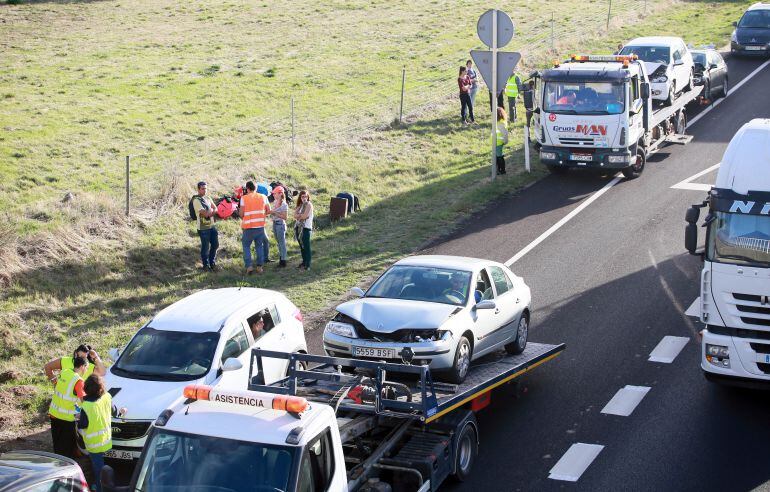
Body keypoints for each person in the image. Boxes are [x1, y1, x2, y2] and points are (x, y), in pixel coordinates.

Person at [47, 356, 88, 460]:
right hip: (66, 419)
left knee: (57, 444)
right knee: (67, 449)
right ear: (83, 366)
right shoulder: (78, 381)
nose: (86, 370)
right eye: (86, 367)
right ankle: (65, 469)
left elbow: (64, 392)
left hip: (54, 414)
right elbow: (84, 401)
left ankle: (57, 464)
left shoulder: (64, 372)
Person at [78, 375, 112, 492]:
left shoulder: (86, 406)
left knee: (98, 469)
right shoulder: (107, 397)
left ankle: (99, 488)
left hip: (94, 444)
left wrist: (78, 417)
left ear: (86, 388)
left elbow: (83, 425)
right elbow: (112, 410)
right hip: (105, 439)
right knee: (102, 467)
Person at [239, 181, 271, 275]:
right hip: (260, 227)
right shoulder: (263, 197)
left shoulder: (244, 198)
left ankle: (249, 266)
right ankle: (259, 267)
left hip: (248, 227)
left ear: (247, 189)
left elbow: (241, 214)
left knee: (246, 246)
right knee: (259, 247)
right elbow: (268, 210)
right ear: (256, 188)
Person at [192, 181, 219, 271]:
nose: (205, 190)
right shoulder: (196, 200)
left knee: (215, 245)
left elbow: (216, 209)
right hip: (203, 229)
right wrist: (211, 211)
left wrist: (210, 211)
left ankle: (212, 263)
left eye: (206, 188)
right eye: (203, 189)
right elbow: (204, 214)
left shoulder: (208, 198)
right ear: (198, 189)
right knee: (205, 247)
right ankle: (206, 265)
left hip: (211, 226)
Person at [293, 190, 314, 270]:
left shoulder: (309, 205)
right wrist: (300, 215)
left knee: (306, 247)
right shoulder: (300, 205)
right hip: (298, 228)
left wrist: (299, 215)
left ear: (308, 197)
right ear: (300, 197)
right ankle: (304, 262)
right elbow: (294, 215)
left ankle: (308, 265)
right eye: (302, 196)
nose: (304, 198)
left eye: (306, 196)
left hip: (306, 228)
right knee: (302, 247)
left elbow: (305, 216)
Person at [269, 186, 289, 268]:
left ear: (280, 194)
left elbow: (285, 217)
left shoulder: (284, 204)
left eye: (275, 193)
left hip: (280, 224)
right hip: (275, 224)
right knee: (279, 242)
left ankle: (283, 261)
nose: (273, 195)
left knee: (282, 243)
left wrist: (274, 213)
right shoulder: (275, 202)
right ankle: (281, 258)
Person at [496, 107, 509, 175]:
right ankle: (498, 170)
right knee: (497, 156)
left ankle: (502, 170)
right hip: (496, 142)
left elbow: (505, 133)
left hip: (498, 142)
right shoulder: (499, 122)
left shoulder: (501, 123)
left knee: (499, 157)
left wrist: (505, 141)